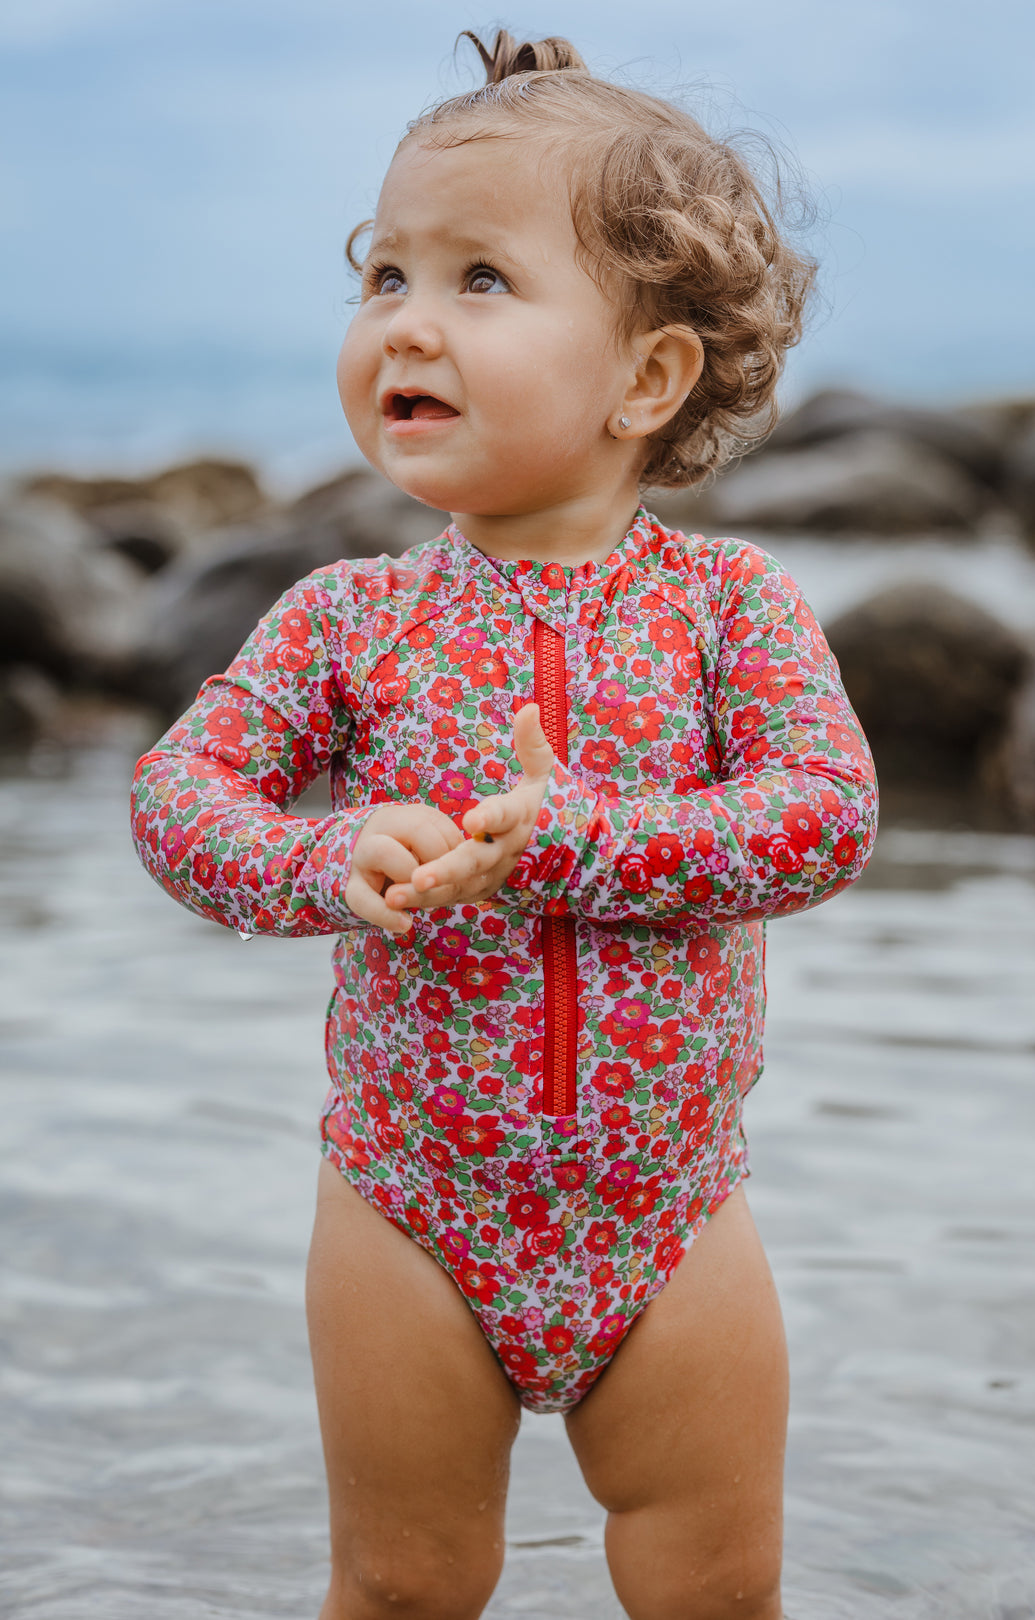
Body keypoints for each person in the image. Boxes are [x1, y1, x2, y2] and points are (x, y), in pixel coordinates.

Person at [131, 29, 877, 1620]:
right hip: (413, 1200)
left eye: (480, 281)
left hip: (668, 1207)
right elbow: (179, 806)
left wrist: (581, 838)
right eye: (383, 272)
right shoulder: (349, 622)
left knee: (718, 1588)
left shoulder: (728, 607)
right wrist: (327, 857)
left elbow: (824, 819)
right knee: (401, 1589)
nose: (406, 320)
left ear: (649, 378)